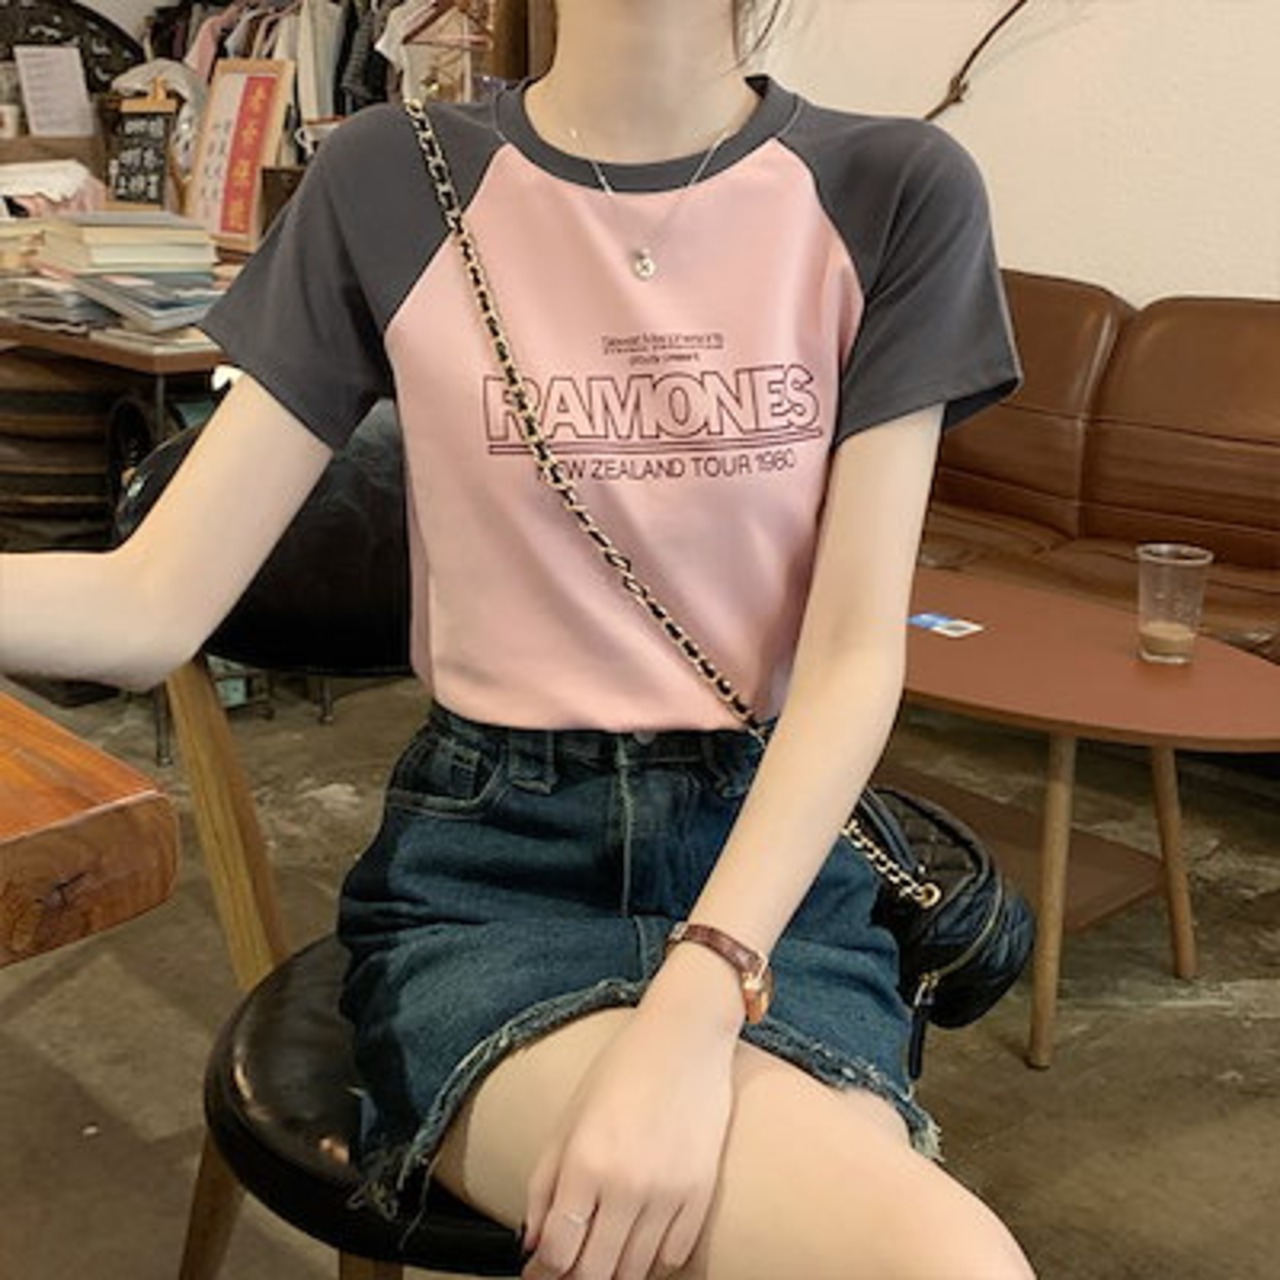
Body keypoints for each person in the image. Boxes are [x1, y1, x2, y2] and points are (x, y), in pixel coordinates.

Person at [0, 2, 1036, 1277]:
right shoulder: (389, 177)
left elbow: (852, 655)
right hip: (495, 865)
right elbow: (147, 606)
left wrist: (696, 996)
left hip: (770, 871)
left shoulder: (892, 188)